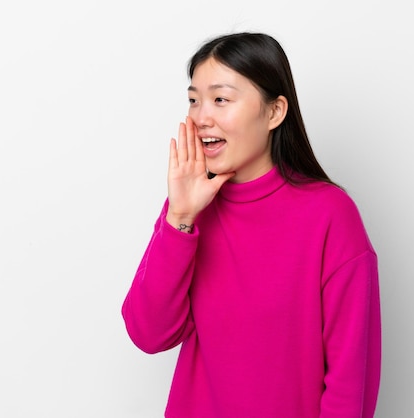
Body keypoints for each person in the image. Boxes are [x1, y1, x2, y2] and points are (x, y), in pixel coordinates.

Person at [121, 32, 381, 418]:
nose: (201, 117)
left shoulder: (329, 215)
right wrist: (180, 218)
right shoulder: (189, 210)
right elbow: (148, 333)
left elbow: (349, 380)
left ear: (274, 112)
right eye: (194, 100)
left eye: (220, 99)